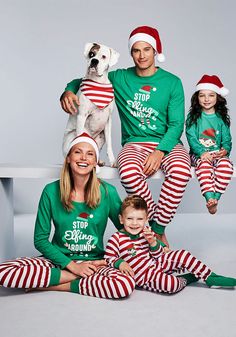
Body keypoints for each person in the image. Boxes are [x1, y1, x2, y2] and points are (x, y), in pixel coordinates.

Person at [60, 25, 192, 247]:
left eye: (147, 49)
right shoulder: (120, 78)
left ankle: (157, 230)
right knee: (129, 173)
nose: (141, 55)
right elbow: (88, 78)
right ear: (131, 53)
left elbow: (177, 124)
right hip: (134, 144)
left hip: (167, 144)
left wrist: (160, 152)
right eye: (136, 50)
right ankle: (150, 232)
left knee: (180, 171)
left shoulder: (172, 82)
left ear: (156, 51)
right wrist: (69, 90)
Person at [0, 133, 135, 299]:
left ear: (95, 163)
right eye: (78, 152)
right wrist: (73, 267)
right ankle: (77, 279)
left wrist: (120, 258)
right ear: (69, 158)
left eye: (90, 153)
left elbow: (126, 229)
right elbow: (40, 239)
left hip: (95, 262)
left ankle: (51, 285)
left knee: (123, 285)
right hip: (58, 261)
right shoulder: (50, 191)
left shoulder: (107, 192)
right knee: (4, 272)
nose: (83, 157)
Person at [104, 195, 236, 294]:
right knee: (170, 285)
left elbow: (157, 255)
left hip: (155, 264)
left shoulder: (145, 233)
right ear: (121, 219)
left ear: (146, 219)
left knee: (182, 254)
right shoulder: (117, 238)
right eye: (129, 219)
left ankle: (209, 277)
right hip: (144, 276)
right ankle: (186, 279)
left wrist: (153, 243)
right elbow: (108, 257)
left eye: (139, 219)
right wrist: (120, 263)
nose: (134, 223)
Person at [186, 75, 233, 214]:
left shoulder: (221, 118)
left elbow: (227, 140)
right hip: (198, 154)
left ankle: (215, 199)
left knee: (226, 166)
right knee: (204, 166)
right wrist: (201, 153)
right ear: (197, 97)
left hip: (217, 154)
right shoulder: (193, 117)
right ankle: (208, 197)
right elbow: (191, 138)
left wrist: (225, 151)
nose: (206, 99)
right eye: (202, 95)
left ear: (217, 97)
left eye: (211, 95)